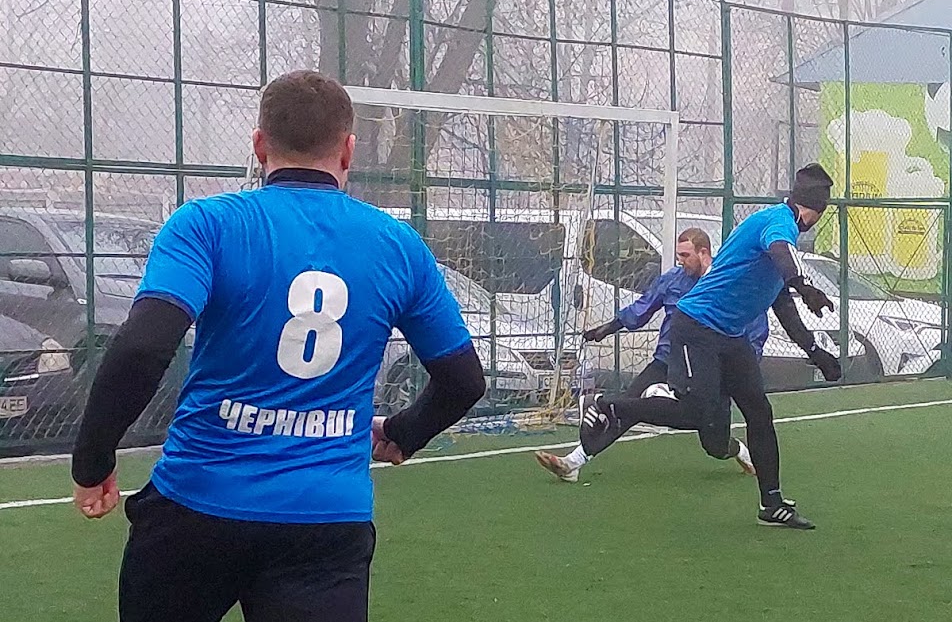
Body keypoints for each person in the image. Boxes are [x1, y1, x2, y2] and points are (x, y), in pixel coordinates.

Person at [70, 70, 486, 622]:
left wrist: (93, 459)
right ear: (349, 150)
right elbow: (463, 382)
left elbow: (142, 348)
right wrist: (403, 433)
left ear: (259, 144)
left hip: (194, 510)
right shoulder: (397, 245)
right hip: (324, 525)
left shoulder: (206, 225)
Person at [666, 163, 841, 530]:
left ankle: (771, 503)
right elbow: (782, 251)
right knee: (699, 411)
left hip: (730, 336)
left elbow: (783, 306)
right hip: (696, 327)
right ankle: (616, 409)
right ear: (809, 209)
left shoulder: (781, 230)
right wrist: (804, 284)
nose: (815, 219)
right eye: (818, 212)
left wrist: (816, 353)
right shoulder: (779, 223)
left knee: (759, 413)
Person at [534, 228, 767, 482]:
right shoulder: (672, 280)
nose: (681, 261)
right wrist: (607, 328)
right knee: (627, 407)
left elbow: (755, 332)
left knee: (714, 443)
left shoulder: (728, 284)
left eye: (686, 255)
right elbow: (641, 309)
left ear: (704, 253)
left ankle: (739, 450)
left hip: (711, 370)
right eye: (679, 255)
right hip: (667, 360)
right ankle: (573, 462)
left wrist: (739, 371)